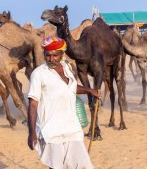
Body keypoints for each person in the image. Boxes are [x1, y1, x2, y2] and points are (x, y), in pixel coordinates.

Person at [27, 36, 98, 169]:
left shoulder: (67, 68)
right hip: (51, 131)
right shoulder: (38, 74)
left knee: (84, 165)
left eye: (55, 55)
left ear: (62, 54)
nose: (51, 59)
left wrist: (89, 90)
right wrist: (31, 133)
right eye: (47, 56)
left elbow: (69, 88)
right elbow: (33, 104)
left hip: (71, 128)